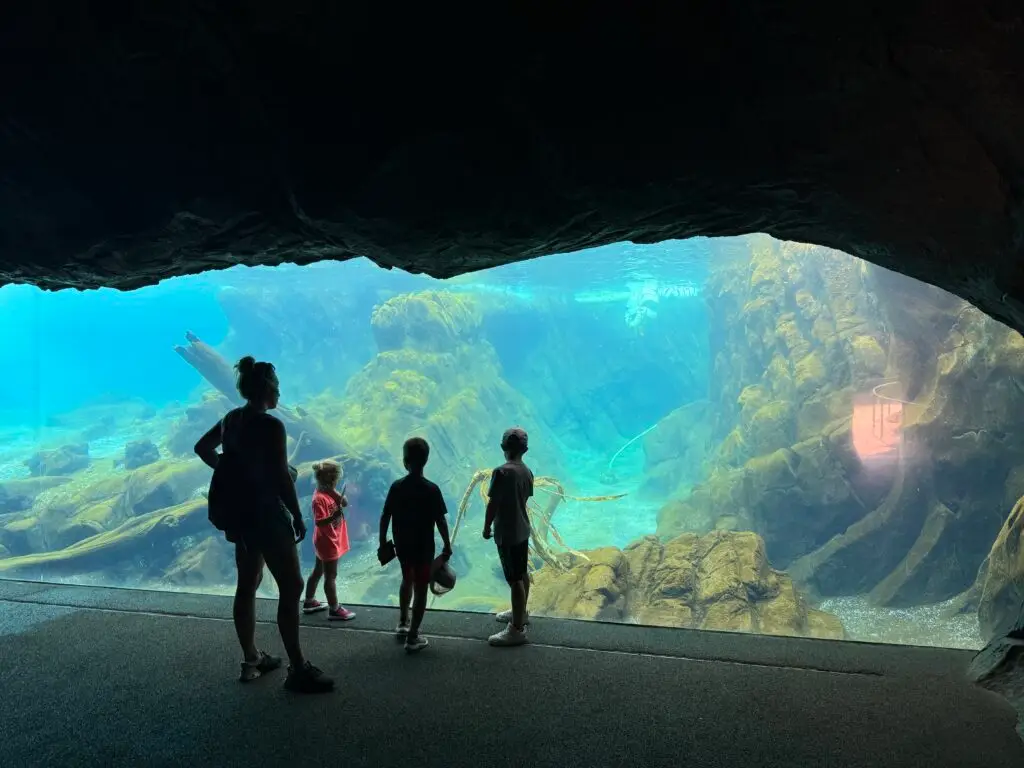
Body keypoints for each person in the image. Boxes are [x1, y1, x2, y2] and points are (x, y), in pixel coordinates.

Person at [194, 356, 334, 693]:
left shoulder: (231, 419)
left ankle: (251, 659)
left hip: (241, 516)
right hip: (267, 515)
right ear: (267, 388)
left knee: (248, 582)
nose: (280, 390)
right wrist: (298, 515)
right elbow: (280, 478)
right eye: (276, 384)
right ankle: (298, 668)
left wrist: (230, 474)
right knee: (292, 586)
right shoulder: (272, 426)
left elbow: (202, 448)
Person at [378, 437, 452, 652]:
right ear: (426, 460)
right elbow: (441, 520)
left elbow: (385, 515)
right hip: (423, 548)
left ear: (404, 461)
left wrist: (383, 542)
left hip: (402, 546)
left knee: (406, 579)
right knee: (421, 589)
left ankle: (403, 622)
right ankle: (413, 637)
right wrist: (447, 545)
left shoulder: (397, 486)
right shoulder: (431, 489)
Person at [483, 427, 534, 647]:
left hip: (507, 533)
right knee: (522, 573)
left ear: (503, 447)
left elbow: (493, 503)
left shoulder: (501, 472)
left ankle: (517, 629)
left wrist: (486, 527)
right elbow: (524, 499)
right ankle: (521, 613)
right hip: (522, 529)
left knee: (514, 580)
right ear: (525, 449)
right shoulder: (527, 472)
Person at [303, 460, 356, 621]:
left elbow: (345, 503)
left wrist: (333, 491)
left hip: (327, 539)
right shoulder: (318, 498)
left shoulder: (328, 493)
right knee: (331, 576)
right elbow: (319, 521)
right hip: (327, 541)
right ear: (332, 478)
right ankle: (334, 609)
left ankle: (309, 601)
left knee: (318, 571)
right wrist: (333, 516)